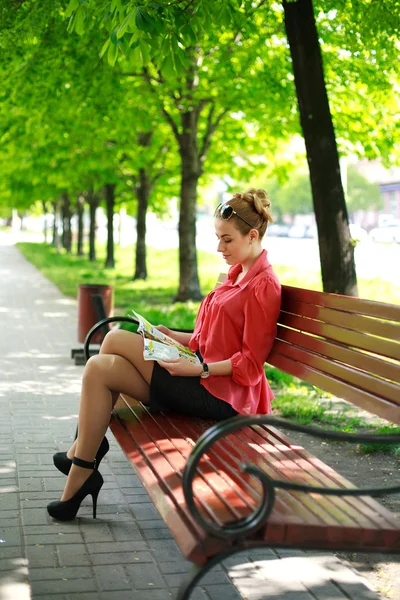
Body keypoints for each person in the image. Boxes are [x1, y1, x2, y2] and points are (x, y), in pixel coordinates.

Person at [47, 188, 281, 521]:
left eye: (227, 240)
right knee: (100, 367)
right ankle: (82, 469)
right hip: (199, 377)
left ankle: (82, 453)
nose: (219, 248)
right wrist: (174, 336)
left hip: (222, 397)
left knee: (113, 339)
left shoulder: (263, 285)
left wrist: (198, 370)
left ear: (252, 235)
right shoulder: (234, 274)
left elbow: (252, 364)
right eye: (218, 238)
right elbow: (210, 338)